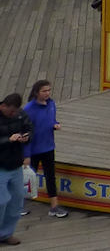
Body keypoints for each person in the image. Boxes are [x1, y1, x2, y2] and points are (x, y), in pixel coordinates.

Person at [22, 81, 65, 218]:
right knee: (26, 179)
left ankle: (54, 207)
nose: (47, 93)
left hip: (48, 147)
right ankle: (17, 206)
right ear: (36, 92)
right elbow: (25, 132)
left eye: (49, 90)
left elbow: (51, 120)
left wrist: (55, 125)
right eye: (44, 91)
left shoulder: (51, 104)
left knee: (50, 177)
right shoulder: (29, 109)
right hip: (33, 150)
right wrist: (26, 155)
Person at [0, 92, 33, 245]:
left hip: (16, 165)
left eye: (16, 111)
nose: (14, 114)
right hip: (1, 166)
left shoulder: (20, 114)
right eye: (11, 111)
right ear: (3, 106)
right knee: (1, 201)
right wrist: (8, 140)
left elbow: (29, 128)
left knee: (17, 201)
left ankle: (6, 234)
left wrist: (27, 136)